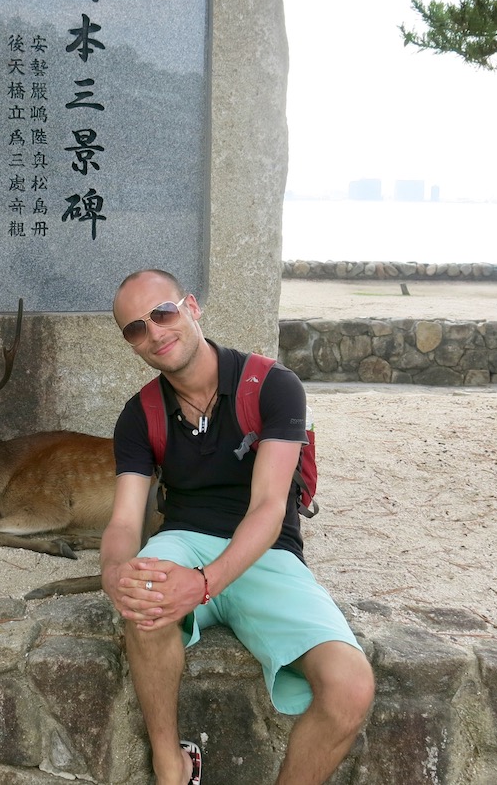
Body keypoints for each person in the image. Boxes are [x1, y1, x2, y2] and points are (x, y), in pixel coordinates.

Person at [101, 269, 375, 785]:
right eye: (135, 329)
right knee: (142, 599)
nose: (155, 333)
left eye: (162, 314)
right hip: (184, 540)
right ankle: (171, 763)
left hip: (266, 552)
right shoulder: (140, 414)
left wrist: (205, 584)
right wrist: (115, 569)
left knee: (350, 687)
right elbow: (123, 519)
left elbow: (270, 507)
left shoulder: (272, 385)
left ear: (192, 307)